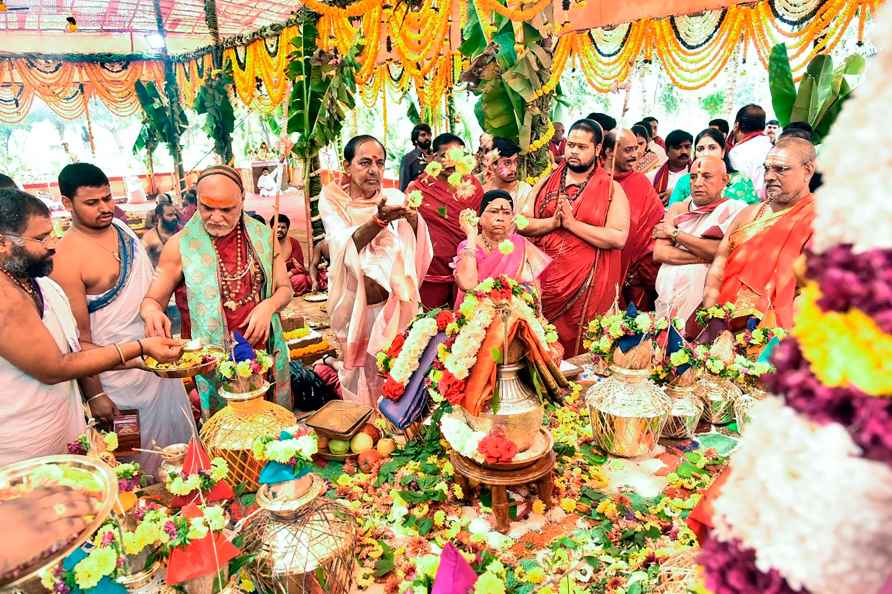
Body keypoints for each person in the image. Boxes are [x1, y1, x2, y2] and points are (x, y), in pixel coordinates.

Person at [0, 188, 182, 466]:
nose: (53, 244)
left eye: (52, 232)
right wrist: (140, 347)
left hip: (63, 426)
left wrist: (139, 358)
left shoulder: (39, 282)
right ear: (3, 243)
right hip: (22, 445)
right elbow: (54, 368)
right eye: (40, 238)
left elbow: (74, 347)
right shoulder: (4, 297)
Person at [50, 163, 194, 475]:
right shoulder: (66, 259)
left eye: (107, 198)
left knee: (181, 449)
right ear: (66, 204)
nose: (104, 208)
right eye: (92, 203)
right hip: (117, 380)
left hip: (158, 363)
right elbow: (78, 341)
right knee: (136, 461)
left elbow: (151, 292)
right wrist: (96, 393)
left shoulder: (122, 230)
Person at [140, 165, 294, 414]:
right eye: (207, 208)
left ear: (242, 201)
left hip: (261, 354)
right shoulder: (180, 246)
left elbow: (285, 289)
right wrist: (151, 313)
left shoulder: (264, 237)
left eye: (226, 209)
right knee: (222, 438)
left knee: (270, 432)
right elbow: (151, 301)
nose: (216, 217)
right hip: (210, 364)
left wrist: (269, 306)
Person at [320, 135, 432, 405]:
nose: (374, 170)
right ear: (347, 166)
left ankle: (397, 425)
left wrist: (413, 218)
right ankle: (365, 425)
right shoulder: (332, 198)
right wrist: (379, 221)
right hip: (355, 306)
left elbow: (420, 247)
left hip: (393, 306)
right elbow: (343, 244)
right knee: (358, 373)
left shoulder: (394, 197)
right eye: (365, 162)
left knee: (397, 369)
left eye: (380, 163)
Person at [520, 119, 630, 356]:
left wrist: (572, 224)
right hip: (545, 285)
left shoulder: (611, 188)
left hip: (587, 289)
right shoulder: (546, 182)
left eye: (582, 147)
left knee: (583, 353)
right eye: (571, 145)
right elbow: (522, 223)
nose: (573, 151)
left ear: (597, 150)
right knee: (542, 348)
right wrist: (552, 223)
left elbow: (618, 237)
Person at [703, 137, 817, 329]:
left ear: (807, 170)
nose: (769, 177)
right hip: (720, 326)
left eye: (780, 169)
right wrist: (711, 312)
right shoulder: (748, 213)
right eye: (767, 168)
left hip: (772, 337)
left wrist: (770, 336)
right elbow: (719, 265)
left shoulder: (819, 219)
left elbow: (813, 290)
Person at [653, 156, 748, 323]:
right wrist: (708, 254)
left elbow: (719, 250)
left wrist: (675, 234)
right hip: (667, 301)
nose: (697, 183)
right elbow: (660, 253)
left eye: (706, 176)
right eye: (693, 177)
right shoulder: (677, 208)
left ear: (724, 180)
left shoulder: (736, 210)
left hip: (705, 305)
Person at [407, 133, 484, 309]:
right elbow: (406, 228)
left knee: (464, 323)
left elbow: (481, 228)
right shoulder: (418, 189)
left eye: (457, 156)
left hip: (467, 267)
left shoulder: (473, 187)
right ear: (434, 157)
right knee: (429, 324)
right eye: (444, 156)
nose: (451, 162)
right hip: (431, 269)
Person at [602, 129, 664, 310]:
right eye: (628, 150)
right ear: (609, 151)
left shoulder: (641, 182)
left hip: (639, 276)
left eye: (636, 149)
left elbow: (657, 225)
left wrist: (636, 265)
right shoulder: (595, 182)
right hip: (602, 270)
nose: (635, 155)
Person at [453, 190, 551, 305]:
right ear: (480, 218)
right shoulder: (467, 245)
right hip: (475, 315)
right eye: (494, 211)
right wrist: (471, 235)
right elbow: (467, 284)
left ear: (512, 219)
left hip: (513, 313)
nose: (500, 218)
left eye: (506, 213)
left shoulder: (521, 245)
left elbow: (535, 292)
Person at [669, 128, 759, 206]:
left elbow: (752, 215)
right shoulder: (685, 181)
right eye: (700, 149)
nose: (706, 153)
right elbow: (672, 213)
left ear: (723, 152)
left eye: (712, 148)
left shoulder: (741, 181)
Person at [728, 104, 773, 198]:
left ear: (737, 125)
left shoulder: (737, 153)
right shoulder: (773, 148)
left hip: (746, 207)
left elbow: (738, 189)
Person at [483, 137, 533, 216]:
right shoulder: (482, 192)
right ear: (493, 164)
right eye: (507, 163)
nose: (514, 168)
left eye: (516, 161)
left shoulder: (525, 191)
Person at [271, 214, 312, 296]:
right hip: (271, 278)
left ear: (287, 229)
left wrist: (284, 277)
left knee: (302, 279)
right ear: (272, 228)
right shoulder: (266, 242)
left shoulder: (294, 243)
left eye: (283, 227)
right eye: (277, 227)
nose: (280, 230)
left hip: (288, 277)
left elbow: (299, 266)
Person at [648, 130, 693, 205]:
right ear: (667, 151)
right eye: (677, 147)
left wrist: (676, 194)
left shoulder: (697, 174)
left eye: (687, 147)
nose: (684, 151)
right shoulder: (652, 176)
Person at [143, 198, 180, 268]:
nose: (174, 217)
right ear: (159, 217)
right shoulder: (149, 238)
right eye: (170, 215)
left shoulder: (181, 231)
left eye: (175, 214)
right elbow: (143, 264)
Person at [399, 123, 433, 191]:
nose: (427, 137)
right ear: (415, 140)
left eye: (429, 135)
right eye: (423, 135)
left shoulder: (436, 155)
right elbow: (404, 187)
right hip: (419, 197)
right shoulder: (408, 159)